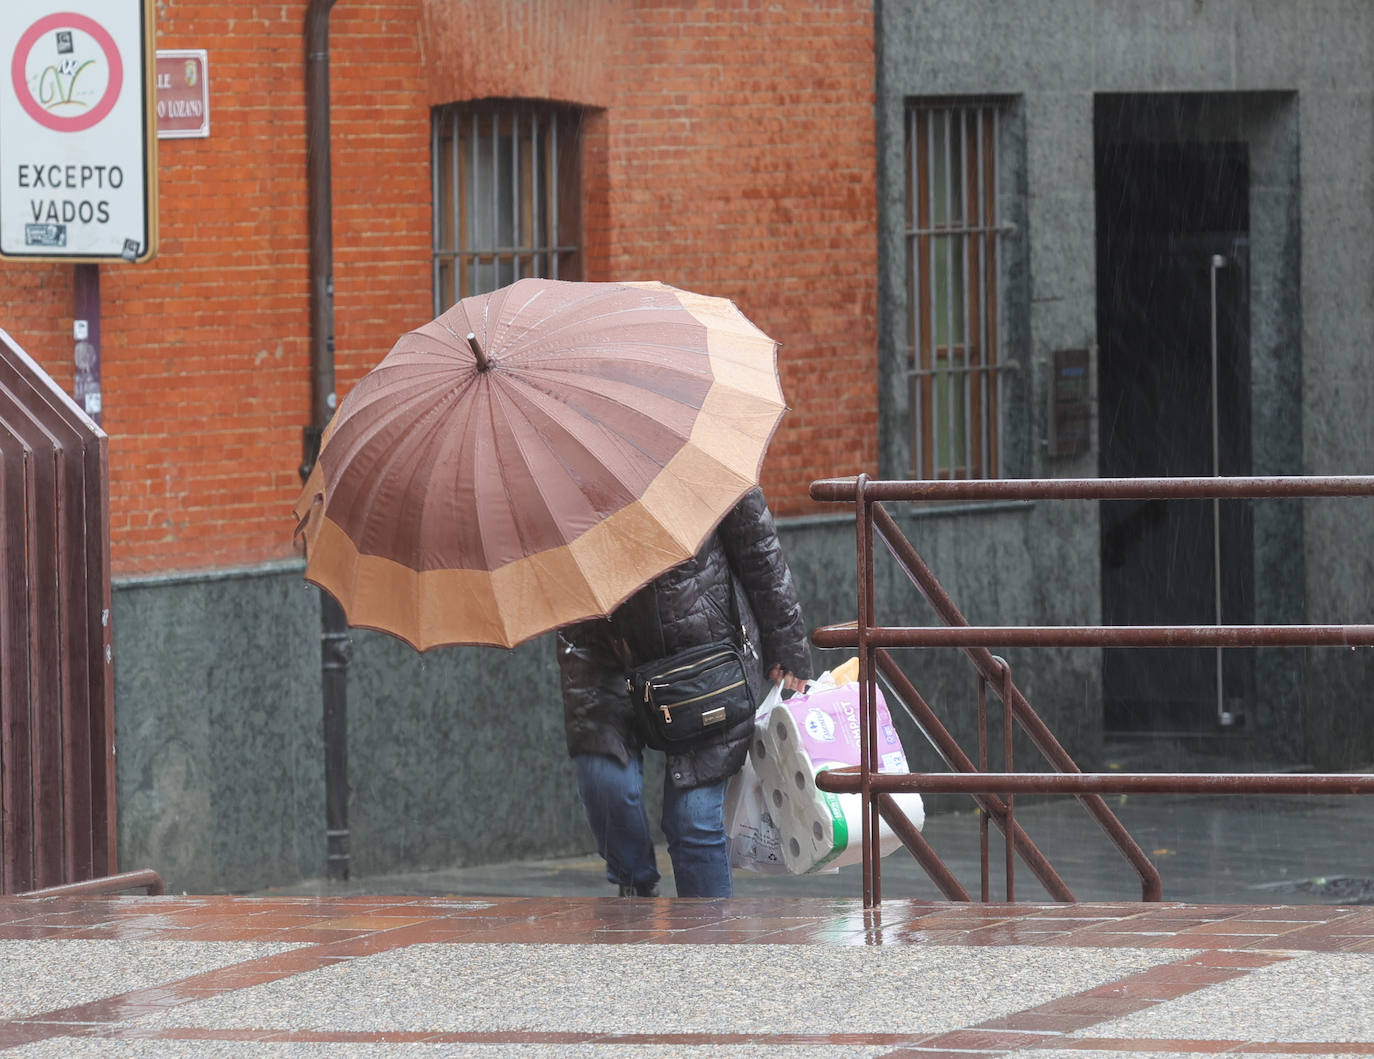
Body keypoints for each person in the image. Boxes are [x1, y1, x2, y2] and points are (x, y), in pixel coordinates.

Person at [556, 486, 813, 898]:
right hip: (602, 656)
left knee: (691, 820)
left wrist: (788, 646)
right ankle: (637, 891)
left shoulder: (693, 449)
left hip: (704, 655)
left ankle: (705, 953)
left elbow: (760, 552)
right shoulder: (554, 477)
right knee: (604, 782)